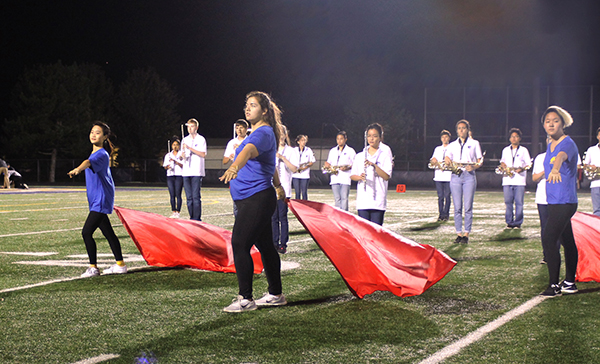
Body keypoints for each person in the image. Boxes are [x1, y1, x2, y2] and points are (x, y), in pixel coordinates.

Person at [219, 91, 287, 312]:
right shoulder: (256, 133)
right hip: (256, 198)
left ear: (264, 110)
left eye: (253, 105)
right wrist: (278, 186)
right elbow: (271, 164)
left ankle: (246, 299)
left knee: (240, 244)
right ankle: (276, 294)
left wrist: (233, 167)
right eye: (246, 105)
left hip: (255, 199)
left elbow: (247, 151)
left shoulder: (263, 133)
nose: (247, 109)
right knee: (266, 245)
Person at [67, 122, 127, 278]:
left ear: (105, 137)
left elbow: (87, 163)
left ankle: (93, 268)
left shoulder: (101, 154)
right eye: (92, 132)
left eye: (98, 133)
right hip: (97, 199)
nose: (93, 135)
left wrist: (78, 169)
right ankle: (120, 265)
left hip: (101, 199)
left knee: (86, 232)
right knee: (108, 233)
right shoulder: (95, 154)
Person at [540, 106, 579, 296]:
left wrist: (556, 168)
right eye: (547, 121)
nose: (551, 124)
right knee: (567, 241)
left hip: (565, 201)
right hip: (554, 201)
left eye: (555, 120)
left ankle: (554, 285)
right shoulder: (550, 145)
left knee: (548, 239)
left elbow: (561, 157)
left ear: (562, 123)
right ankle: (570, 282)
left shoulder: (567, 143)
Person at [444, 119, 483, 244]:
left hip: (469, 175)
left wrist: (474, 167)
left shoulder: (474, 143)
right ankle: (458, 233)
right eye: (459, 128)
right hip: (456, 175)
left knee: (468, 207)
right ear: (457, 131)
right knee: (457, 207)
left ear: (467, 130)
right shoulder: (452, 145)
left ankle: (466, 233)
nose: (461, 130)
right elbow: (447, 157)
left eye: (464, 128)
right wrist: (447, 160)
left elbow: (480, 160)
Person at [350, 123, 394, 225]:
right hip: (363, 201)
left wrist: (374, 166)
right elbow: (352, 175)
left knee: (376, 234)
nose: (371, 139)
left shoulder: (385, 156)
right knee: (364, 232)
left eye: (375, 136)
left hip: (378, 200)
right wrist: (359, 177)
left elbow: (386, 176)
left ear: (380, 138)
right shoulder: (359, 156)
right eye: (369, 136)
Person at [272, 125, 299, 254]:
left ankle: (283, 243)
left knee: (282, 217)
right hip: (272, 189)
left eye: (283, 134)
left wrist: (282, 158)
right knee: (273, 218)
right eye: (279, 134)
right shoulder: (272, 149)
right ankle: (274, 242)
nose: (281, 136)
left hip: (285, 189)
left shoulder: (291, 151)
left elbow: (294, 169)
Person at [499, 128, 531, 229]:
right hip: (507, 179)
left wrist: (522, 169)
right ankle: (509, 222)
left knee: (519, 202)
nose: (514, 138)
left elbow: (528, 164)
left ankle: (518, 222)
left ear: (519, 138)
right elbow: (502, 161)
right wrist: (503, 165)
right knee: (508, 202)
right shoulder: (505, 150)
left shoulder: (524, 150)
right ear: (509, 138)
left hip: (519, 180)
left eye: (516, 136)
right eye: (512, 136)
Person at [181, 118, 206, 221]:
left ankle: (197, 218)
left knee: (196, 197)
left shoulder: (201, 139)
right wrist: (182, 154)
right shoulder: (185, 139)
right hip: (186, 171)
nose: (189, 129)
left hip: (196, 171)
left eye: (191, 126)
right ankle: (191, 217)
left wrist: (190, 148)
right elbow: (183, 155)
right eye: (188, 127)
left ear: (196, 127)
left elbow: (203, 154)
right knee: (189, 198)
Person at [324, 131, 356, 211]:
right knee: (337, 199)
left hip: (345, 178)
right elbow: (329, 162)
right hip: (334, 178)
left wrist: (348, 167)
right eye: (338, 139)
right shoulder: (332, 151)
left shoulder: (350, 150)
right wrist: (327, 164)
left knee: (344, 198)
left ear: (345, 139)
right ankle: (338, 217)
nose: (339, 141)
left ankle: (345, 217)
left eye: (341, 139)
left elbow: (355, 164)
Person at [532, 136, 551, 264]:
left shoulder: (563, 155)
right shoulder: (540, 157)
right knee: (545, 227)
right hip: (542, 197)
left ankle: (556, 253)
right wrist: (546, 171)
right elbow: (534, 178)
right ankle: (547, 254)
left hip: (558, 199)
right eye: (548, 138)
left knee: (560, 229)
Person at [430, 130, 452, 221]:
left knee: (447, 196)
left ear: (449, 138)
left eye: (446, 137)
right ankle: (441, 214)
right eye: (443, 137)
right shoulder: (437, 149)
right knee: (440, 196)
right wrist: (433, 160)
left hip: (448, 176)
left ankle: (446, 214)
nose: (444, 139)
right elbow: (432, 159)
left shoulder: (452, 148)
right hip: (438, 175)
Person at [163, 139, 184, 218]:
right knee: (172, 194)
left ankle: (178, 211)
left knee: (178, 194)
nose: (175, 146)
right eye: (174, 145)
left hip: (179, 175)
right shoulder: (168, 155)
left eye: (177, 145)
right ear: (171, 146)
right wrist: (167, 166)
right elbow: (165, 166)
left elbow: (183, 165)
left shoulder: (181, 154)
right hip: (170, 175)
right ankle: (173, 211)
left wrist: (176, 162)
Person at [583, 126, 600, 216]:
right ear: (597, 136)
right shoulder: (591, 150)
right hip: (595, 184)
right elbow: (585, 165)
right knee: (597, 211)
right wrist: (591, 167)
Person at [291, 134, 315, 200]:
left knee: (304, 192)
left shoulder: (308, 150)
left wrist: (305, 167)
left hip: (305, 175)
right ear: (298, 142)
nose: (303, 142)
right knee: (297, 192)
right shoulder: (294, 150)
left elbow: (312, 161)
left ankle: (305, 208)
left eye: (304, 140)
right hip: (295, 175)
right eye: (302, 140)